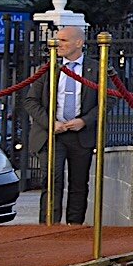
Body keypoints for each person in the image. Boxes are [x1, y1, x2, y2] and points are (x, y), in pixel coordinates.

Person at [25, 21, 98, 225]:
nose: (58, 45)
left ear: (79, 42)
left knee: (78, 184)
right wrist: (51, 123)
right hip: (52, 136)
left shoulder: (95, 68)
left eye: (63, 40)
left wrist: (84, 121)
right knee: (51, 181)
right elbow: (30, 101)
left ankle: (74, 229)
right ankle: (48, 228)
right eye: (57, 41)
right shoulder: (48, 68)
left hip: (80, 136)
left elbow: (108, 100)